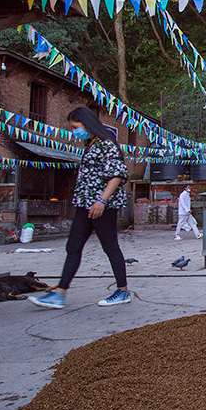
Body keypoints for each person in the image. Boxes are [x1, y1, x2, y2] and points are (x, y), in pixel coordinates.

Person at [31, 107, 130, 309]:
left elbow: (117, 175)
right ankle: (60, 292)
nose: (75, 131)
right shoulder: (90, 145)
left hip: (102, 206)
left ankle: (123, 290)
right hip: (85, 205)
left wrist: (101, 201)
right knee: (73, 247)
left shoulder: (106, 144)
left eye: (76, 127)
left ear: (87, 123)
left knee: (110, 247)